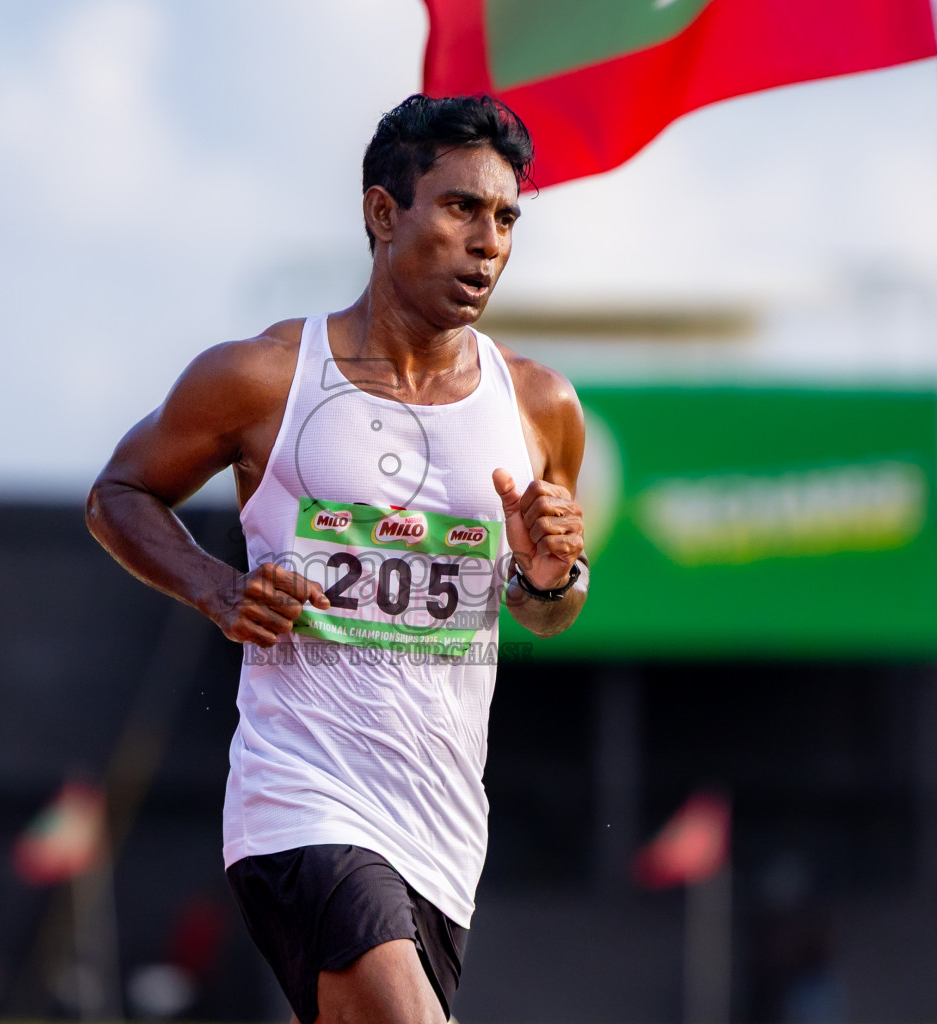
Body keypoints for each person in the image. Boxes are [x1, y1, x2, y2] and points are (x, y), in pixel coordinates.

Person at [87, 94, 588, 1024]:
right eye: (461, 208)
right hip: (300, 799)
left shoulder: (539, 406)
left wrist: (549, 575)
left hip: (441, 828)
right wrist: (218, 589)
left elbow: (545, 614)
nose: (488, 242)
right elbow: (117, 493)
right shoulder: (265, 376)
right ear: (383, 212)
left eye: (506, 217)